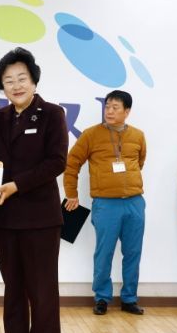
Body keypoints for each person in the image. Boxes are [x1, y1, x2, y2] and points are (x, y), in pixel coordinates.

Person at [0, 48, 68, 333]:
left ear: (34, 81)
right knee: (13, 292)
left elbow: (56, 162)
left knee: (42, 292)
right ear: (2, 87)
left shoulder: (52, 114)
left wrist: (16, 185)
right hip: (5, 218)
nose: (16, 85)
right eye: (8, 81)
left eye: (22, 78)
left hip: (40, 219)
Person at [63, 90, 147, 316]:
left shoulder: (138, 136)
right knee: (104, 252)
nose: (109, 111)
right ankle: (101, 297)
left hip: (134, 203)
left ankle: (129, 298)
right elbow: (72, 164)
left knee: (133, 252)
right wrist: (71, 194)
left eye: (115, 107)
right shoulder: (91, 135)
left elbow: (139, 162)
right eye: (107, 106)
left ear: (127, 111)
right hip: (106, 204)